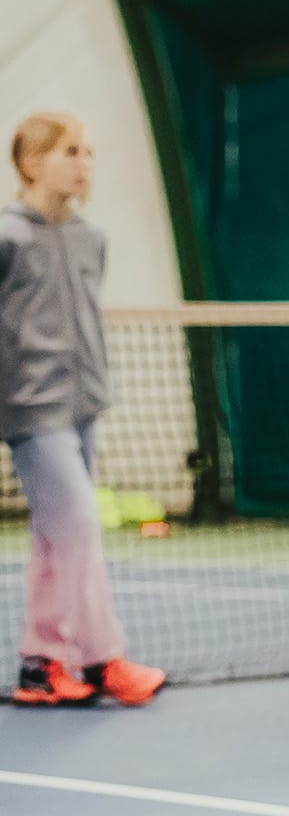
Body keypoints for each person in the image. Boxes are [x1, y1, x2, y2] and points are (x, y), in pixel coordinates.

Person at [0, 113, 165, 707]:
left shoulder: (92, 238)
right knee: (78, 526)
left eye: (89, 152)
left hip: (82, 407)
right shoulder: (6, 238)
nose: (84, 164)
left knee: (55, 539)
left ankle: (41, 665)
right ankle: (101, 659)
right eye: (70, 151)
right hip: (30, 410)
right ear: (31, 163)